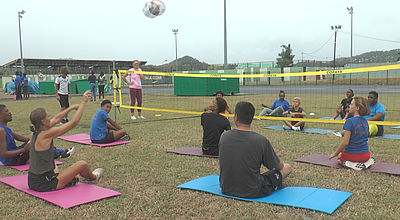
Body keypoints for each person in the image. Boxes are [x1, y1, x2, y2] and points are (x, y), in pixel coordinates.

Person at [28, 91, 104, 192]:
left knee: (54, 165)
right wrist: (83, 102)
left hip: (33, 181)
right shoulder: (46, 135)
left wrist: (71, 108)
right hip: (45, 183)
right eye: (48, 116)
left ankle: (68, 180)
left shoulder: (35, 133)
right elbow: (73, 123)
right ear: (43, 121)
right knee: (82, 165)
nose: (50, 117)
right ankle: (94, 177)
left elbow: (56, 118)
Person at [219, 101, 292, 198]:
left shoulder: (224, 136)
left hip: (226, 188)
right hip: (253, 191)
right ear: (252, 118)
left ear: (236, 117)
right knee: (287, 167)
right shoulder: (261, 140)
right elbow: (278, 166)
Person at [329, 97, 375, 171]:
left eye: (351, 104)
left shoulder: (349, 121)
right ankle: (367, 163)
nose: (349, 106)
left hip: (353, 155)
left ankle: (350, 164)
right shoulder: (365, 122)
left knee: (339, 159)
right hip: (366, 155)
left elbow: (345, 143)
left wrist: (335, 153)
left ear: (357, 108)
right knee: (342, 154)